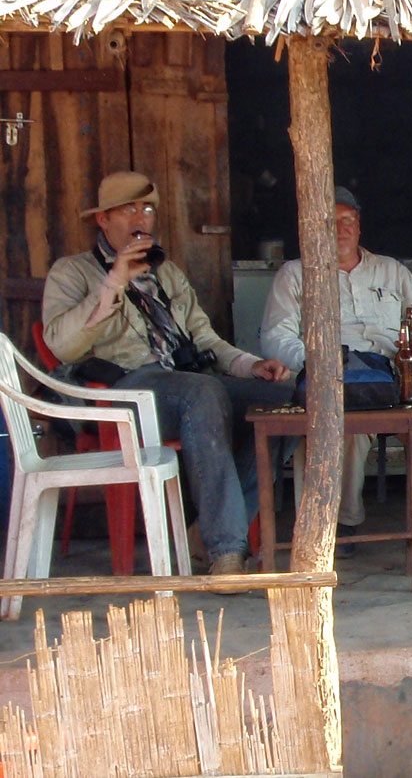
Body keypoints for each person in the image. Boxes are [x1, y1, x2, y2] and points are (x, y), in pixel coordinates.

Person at [41, 171, 294, 577]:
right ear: (103, 220)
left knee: (286, 401)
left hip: (190, 384)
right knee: (202, 391)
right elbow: (62, 346)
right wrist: (115, 280)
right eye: (128, 210)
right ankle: (227, 552)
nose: (141, 218)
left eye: (147, 209)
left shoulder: (167, 273)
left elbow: (204, 338)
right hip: (126, 392)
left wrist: (251, 365)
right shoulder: (72, 273)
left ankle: (203, 532)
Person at [260, 187, 412, 574]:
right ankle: (339, 524)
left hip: (396, 373)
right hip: (335, 375)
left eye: (347, 220)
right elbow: (276, 337)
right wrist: (321, 364)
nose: (340, 229)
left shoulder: (390, 270)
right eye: (329, 222)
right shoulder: (296, 274)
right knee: (341, 409)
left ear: (359, 224)